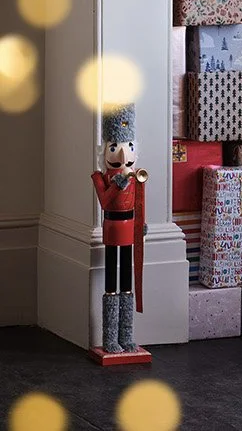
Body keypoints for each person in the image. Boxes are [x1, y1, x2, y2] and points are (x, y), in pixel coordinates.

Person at [91, 104, 146, 354]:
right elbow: (105, 201)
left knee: (127, 282)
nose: (123, 156)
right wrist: (119, 183)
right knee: (111, 283)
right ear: (105, 151)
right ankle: (110, 337)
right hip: (112, 229)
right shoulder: (101, 178)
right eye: (115, 148)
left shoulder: (135, 177)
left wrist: (140, 224)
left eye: (128, 147)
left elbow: (139, 202)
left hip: (129, 229)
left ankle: (126, 335)